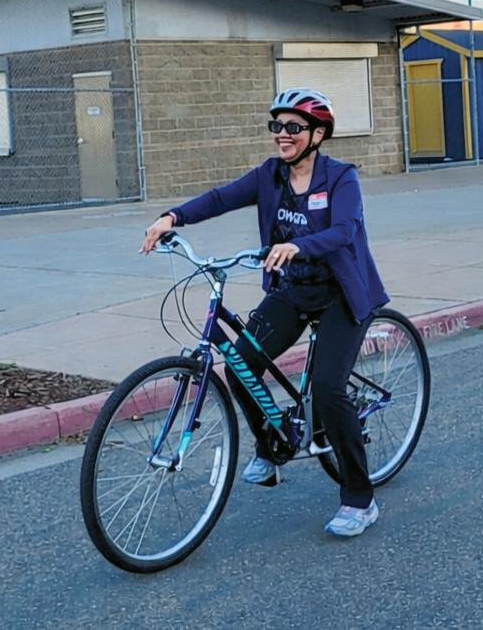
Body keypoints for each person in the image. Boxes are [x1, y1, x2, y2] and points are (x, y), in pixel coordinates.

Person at [141, 88, 389, 537]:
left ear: (318, 134)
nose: (282, 134)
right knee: (239, 366)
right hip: (294, 291)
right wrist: (171, 218)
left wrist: (298, 245)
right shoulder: (269, 175)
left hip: (342, 295)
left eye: (294, 127)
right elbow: (220, 198)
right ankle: (272, 448)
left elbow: (344, 230)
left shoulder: (340, 178)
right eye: (277, 126)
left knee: (329, 391)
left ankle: (360, 498)